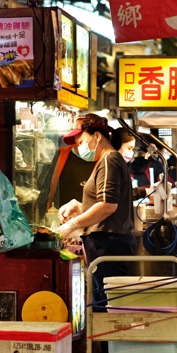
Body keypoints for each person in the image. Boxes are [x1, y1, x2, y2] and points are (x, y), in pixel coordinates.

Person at [57, 114, 135, 306]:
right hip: (108, 241)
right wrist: (80, 206)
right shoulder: (108, 160)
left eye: (81, 141)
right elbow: (106, 202)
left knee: (106, 307)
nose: (79, 147)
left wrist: (73, 224)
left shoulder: (109, 160)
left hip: (108, 242)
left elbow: (108, 205)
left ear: (97, 136)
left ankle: (108, 338)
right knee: (105, 303)